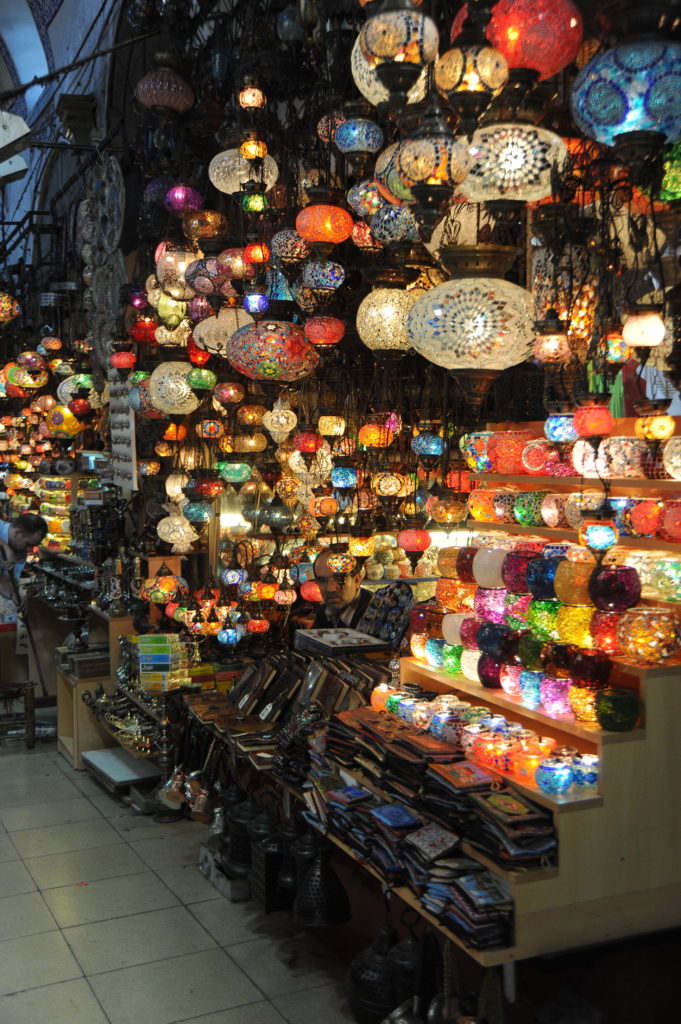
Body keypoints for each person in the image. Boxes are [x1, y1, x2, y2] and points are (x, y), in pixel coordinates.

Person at [311, 548, 372, 629]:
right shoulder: (324, 611)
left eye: (339, 579)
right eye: (322, 581)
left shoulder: (377, 612)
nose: (330, 589)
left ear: (357, 580)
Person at [0, 514, 48, 615]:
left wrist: (14, 594)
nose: (30, 550)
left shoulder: (20, 552)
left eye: (33, 546)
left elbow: (5, 581)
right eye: (28, 544)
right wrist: (5, 546)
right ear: (17, 533)